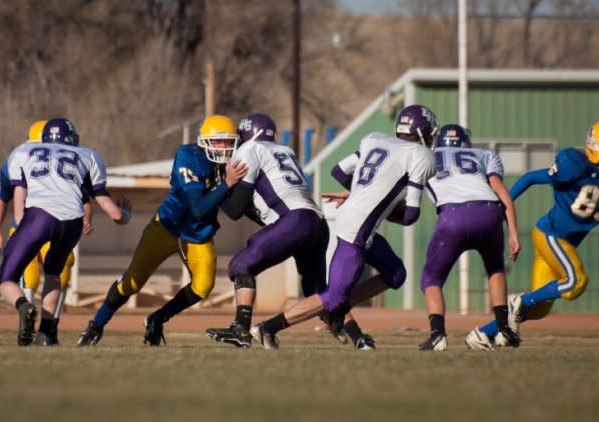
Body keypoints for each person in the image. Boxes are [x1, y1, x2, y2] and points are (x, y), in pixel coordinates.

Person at [249, 104, 438, 349]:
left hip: (351, 220)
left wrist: (360, 194)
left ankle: (339, 312)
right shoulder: (421, 155)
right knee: (333, 296)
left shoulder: (376, 139)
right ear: (423, 132)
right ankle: (268, 328)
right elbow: (411, 215)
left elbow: (338, 171)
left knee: (395, 273)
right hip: (357, 230)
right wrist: (386, 207)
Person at [76, 115, 247, 347]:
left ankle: (157, 319)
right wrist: (227, 183)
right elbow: (197, 208)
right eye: (218, 142)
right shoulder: (189, 156)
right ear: (203, 141)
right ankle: (95, 326)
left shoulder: (234, 163)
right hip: (167, 226)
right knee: (132, 283)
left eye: (229, 142)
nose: (225, 148)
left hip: (198, 234)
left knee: (203, 286)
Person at [0, 117, 130, 346]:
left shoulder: (23, 151)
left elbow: (19, 199)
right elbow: (114, 214)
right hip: (71, 222)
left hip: (37, 217)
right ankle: (47, 333)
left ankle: (24, 306)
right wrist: (125, 215)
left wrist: (22, 229)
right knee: (54, 274)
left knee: (5, 281)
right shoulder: (88, 155)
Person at [466, 122, 599, 350]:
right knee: (576, 282)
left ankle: (481, 333)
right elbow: (530, 178)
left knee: (538, 309)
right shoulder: (575, 165)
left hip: (560, 243)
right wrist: (502, 208)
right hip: (551, 236)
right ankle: (519, 300)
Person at [204, 112, 333, 348]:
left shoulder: (249, 150)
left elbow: (234, 210)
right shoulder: (286, 151)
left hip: (293, 221)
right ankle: (357, 337)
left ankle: (240, 329)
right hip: (318, 223)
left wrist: (221, 188)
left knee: (240, 266)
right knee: (320, 293)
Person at [415, 124, 521, 352]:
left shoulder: (425, 156)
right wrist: (513, 232)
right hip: (489, 213)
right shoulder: (485, 155)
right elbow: (502, 193)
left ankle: (438, 336)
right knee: (495, 268)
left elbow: (395, 188)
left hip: (452, 215)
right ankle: (503, 329)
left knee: (431, 279)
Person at [0, 119, 93, 345]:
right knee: (37, 277)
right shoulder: (18, 163)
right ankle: (37, 329)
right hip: (39, 225)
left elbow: (84, 200)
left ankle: (44, 326)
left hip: (33, 225)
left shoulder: (22, 158)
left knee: (59, 272)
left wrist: (86, 216)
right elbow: (3, 199)